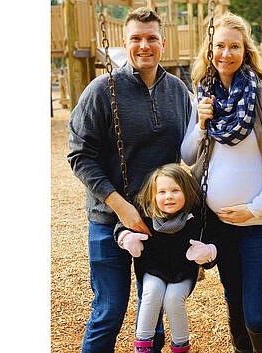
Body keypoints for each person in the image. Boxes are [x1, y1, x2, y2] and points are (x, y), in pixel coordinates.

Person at [181, 12, 262, 353]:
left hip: (259, 225)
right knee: (235, 308)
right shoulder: (205, 98)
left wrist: (257, 205)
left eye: (234, 46)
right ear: (209, 50)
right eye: (219, 46)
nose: (226, 53)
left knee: (256, 314)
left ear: (246, 51)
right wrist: (200, 124)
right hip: (221, 227)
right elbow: (188, 156)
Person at [67, 7, 192, 353]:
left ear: (163, 43)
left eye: (151, 38)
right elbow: (79, 154)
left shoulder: (179, 92)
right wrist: (120, 205)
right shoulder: (100, 90)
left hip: (159, 222)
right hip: (110, 219)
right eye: (136, 38)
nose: (144, 45)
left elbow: (195, 147)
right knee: (110, 310)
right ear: (125, 43)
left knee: (154, 310)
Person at [114, 163, 217, 353]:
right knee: (152, 292)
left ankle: (180, 347)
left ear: (186, 191)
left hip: (183, 272)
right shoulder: (145, 211)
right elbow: (121, 225)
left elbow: (215, 235)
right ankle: (143, 346)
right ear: (153, 196)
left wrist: (209, 250)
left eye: (175, 190)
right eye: (162, 192)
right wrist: (126, 237)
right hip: (153, 268)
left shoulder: (196, 214)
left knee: (173, 298)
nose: (168, 196)